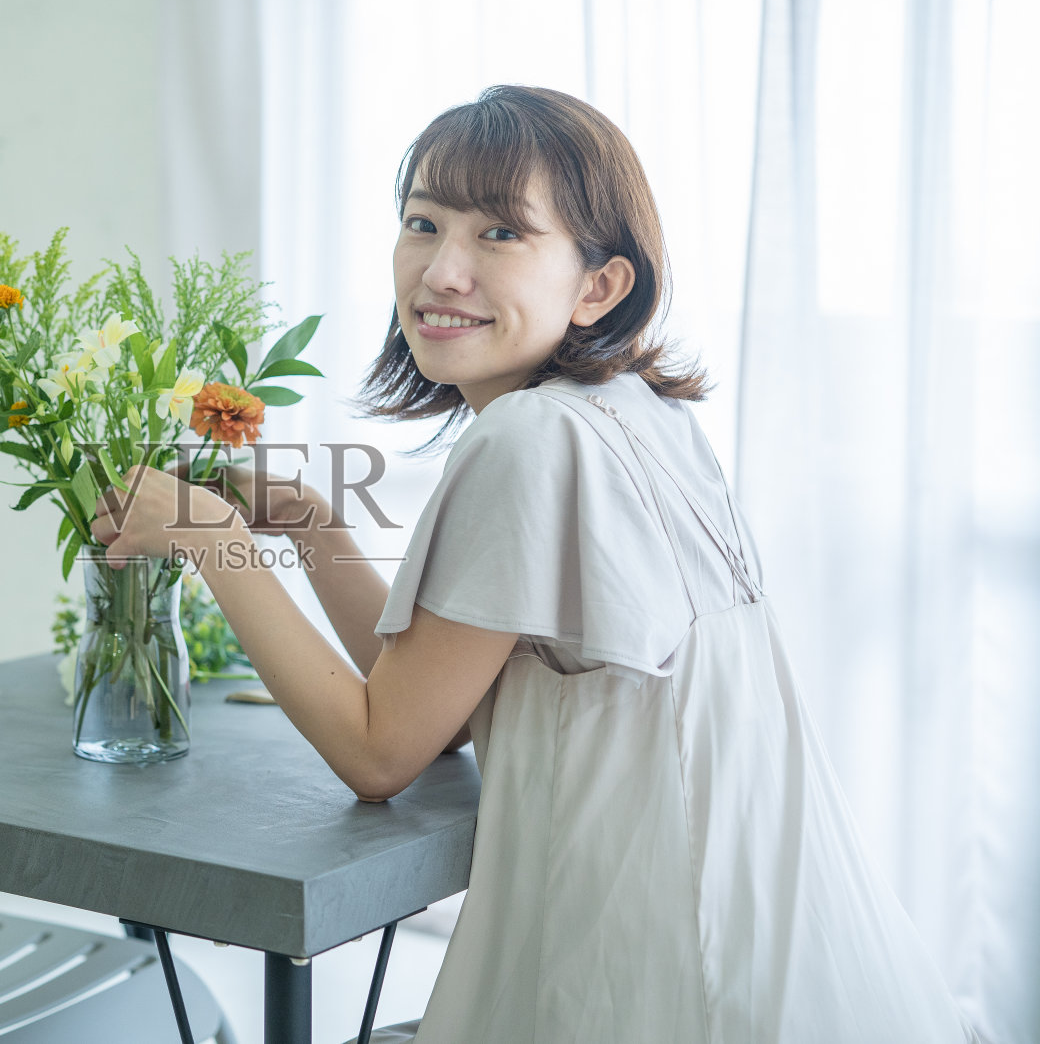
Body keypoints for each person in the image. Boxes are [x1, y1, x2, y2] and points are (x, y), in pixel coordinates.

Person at [89, 86, 978, 1043]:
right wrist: (309, 522)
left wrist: (209, 538)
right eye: (422, 223)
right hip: (775, 948)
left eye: (501, 234)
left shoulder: (528, 438)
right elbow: (445, 705)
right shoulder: (640, 412)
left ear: (599, 284)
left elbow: (381, 752)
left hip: (646, 969)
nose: (443, 269)